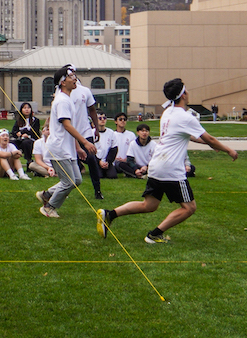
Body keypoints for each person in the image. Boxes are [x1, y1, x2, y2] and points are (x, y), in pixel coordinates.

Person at [97, 78, 237, 243]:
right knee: (189, 208)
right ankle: (154, 235)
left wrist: (211, 144)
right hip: (171, 169)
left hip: (157, 165)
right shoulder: (186, 117)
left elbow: (189, 136)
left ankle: (109, 214)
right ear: (183, 94)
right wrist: (228, 150)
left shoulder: (167, 113)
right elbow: (209, 138)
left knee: (149, 205)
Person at [35, 66, 97, 219]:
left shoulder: (67, 99)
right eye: (71, 77)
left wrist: (77, 147)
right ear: (63, 82)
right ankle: (49, 207)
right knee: (68, 182)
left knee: (76, 179)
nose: (75, 79)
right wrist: (85, 143)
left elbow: (70, 128)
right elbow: (67, 125)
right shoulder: (62, 101)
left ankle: (46, 194)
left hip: (67, 148)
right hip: (59, 148)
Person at [68, 67, 103, 199]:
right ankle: (64, 190)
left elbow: (92, 110)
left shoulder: (85, 91)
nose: (73, 77)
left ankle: (97, 190)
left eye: (73, 74)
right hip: (69, 132)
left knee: (92, 159)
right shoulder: (62, 93)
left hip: (85, 131)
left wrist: (96, 128)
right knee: (70, 161)